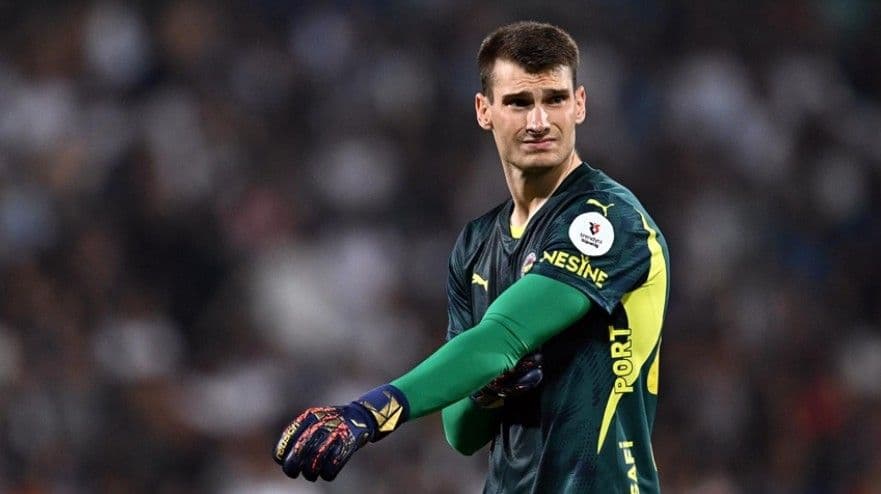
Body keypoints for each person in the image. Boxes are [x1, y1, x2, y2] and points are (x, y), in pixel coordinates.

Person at [273, 21, 669, 493]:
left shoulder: (609, 219)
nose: (539, 121)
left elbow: (503, 336)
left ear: (579, 104)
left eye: (555, 99)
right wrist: (489, 391)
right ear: (484, 111)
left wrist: (372, 410)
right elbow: (460, 432)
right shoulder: (476, 245)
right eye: (519, 102)